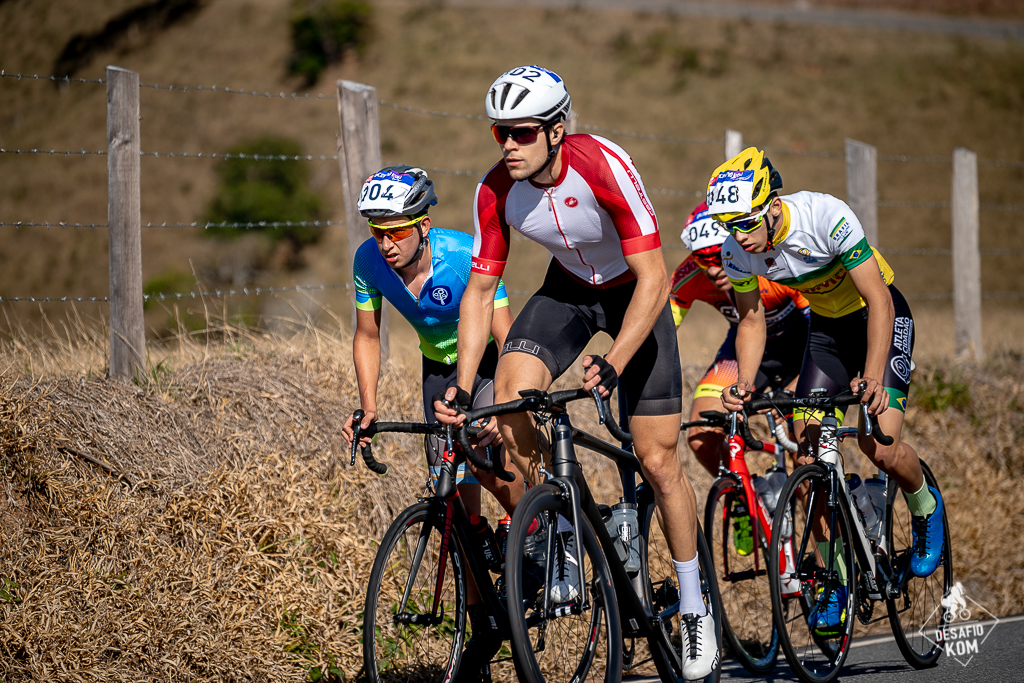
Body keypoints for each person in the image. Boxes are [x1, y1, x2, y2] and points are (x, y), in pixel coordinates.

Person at [435, 65, 718, 680]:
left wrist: (614, 363)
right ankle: (558, 524)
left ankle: (696, 605)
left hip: (633, 295)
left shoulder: (603, 165)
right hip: (566, 292)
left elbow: (652, 277)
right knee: (507, 395)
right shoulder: (495, 191)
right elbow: (480, 295)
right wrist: (461, 384)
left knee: (658, 459)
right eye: (498, 133)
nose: (508, 144)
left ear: (557, 129)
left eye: (522, 132)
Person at [714, 147, 946, 638]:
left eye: (745, 222)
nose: (737, 235)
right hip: (827, 332)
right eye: (727, 224)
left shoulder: (825, 215)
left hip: (878, 317)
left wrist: (873, 375)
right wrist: (743, 381)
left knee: (877, 444)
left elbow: (879, 299)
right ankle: (837, 579)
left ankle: (925, 505)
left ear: (772, 204)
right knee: (807, 453)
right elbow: (751, 321)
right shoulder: (735, 249)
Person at [339, 165, 526, 681]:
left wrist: (502, 409)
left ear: (423, 225)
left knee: (488, 462)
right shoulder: (367, 262)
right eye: (377, 231)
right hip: (435, 368)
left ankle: (531, 528)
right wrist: (369, 405)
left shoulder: (464, 254)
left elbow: (507, 336)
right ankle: (481, 620)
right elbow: (368, 336)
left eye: (396, 230)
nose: (386, 243)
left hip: (487, 358)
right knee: (452, 497)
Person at [673, 199, 809, 478]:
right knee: (701, 435)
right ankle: (748, 502)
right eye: (701, 259)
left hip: (802, 349)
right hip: (745, 353)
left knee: (805, 454)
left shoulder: (773, 267)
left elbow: (821, 329)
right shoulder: (691, 273)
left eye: (716, 256)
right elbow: (660, 330)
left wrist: (800, 384)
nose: (711, 269)